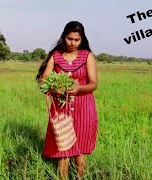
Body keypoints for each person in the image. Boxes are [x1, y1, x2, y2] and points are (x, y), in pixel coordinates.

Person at [36, 21, 98, 180]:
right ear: (63, 37)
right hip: (61, 109)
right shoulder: (55, 57)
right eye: (69, 38)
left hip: (84, 108)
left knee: (80, 147)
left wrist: (79, 89)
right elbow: (43, 81)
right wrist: (54, 90)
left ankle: (80, 177)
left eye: (76, 40)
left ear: (82, 39)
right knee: (63, 148)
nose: (72, 43)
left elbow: (93, 84)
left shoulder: (87, 56)